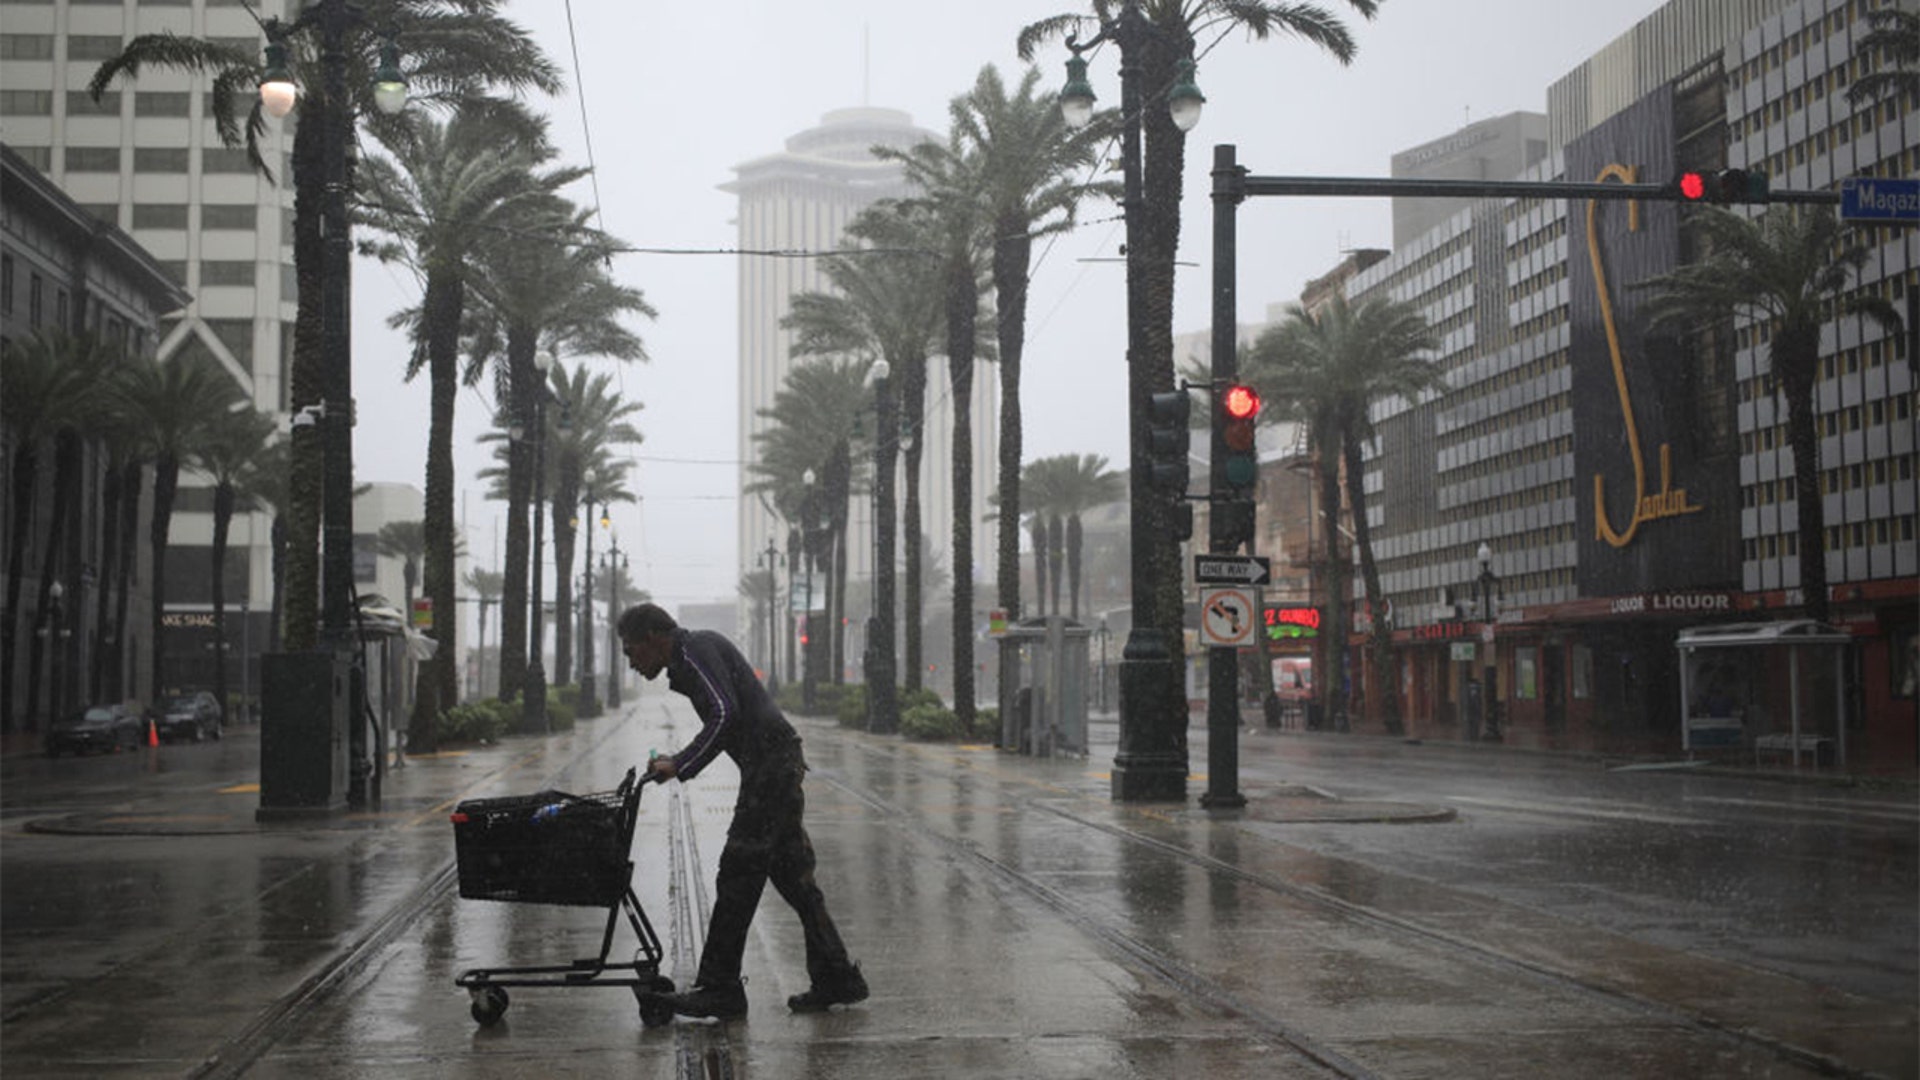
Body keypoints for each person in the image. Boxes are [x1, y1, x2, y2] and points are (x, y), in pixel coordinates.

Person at [618, 602, 867, 1020]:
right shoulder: (690, 654)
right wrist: (681, 762)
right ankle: (837, 976)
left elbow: (724, 713)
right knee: (794, 878)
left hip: (770, 768)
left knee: (737, 872)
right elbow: (727, 716)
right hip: (773, 764)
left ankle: (720, 987)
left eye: (631, 650)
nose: (630, 660)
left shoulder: (694, 650)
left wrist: (680, 762)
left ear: (652, 639)